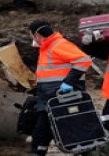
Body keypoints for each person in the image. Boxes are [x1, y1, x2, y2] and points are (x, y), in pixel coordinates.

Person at [27, 20, 93, 156]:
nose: (32, 40)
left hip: (62, 98)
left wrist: (69, 82)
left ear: (37, 35)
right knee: (42, 133)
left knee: (72, 132)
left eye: (31, 36)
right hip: (50, 97)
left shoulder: (58, 45)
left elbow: (84, 60)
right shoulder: (47, 47)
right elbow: (51, 72)